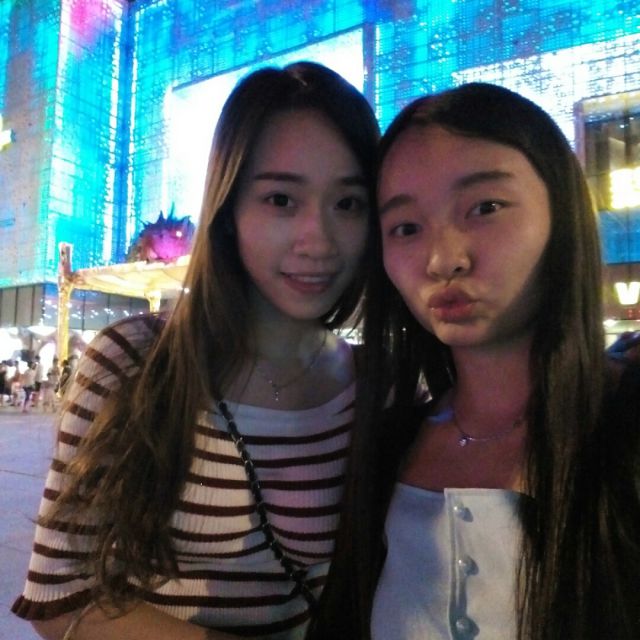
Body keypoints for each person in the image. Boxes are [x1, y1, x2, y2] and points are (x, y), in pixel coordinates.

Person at [12, 61, 379, 640]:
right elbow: (58, 598)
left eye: (349, 204)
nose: (319, 240)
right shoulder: (134, 362)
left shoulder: (377, 386)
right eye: (281, 199)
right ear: (229, 212)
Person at [309, 83, 640, 640]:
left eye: (485, 208)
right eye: (406, 228)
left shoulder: (624, 423)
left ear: (562, 211)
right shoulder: (386, 447)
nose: (443, 259)